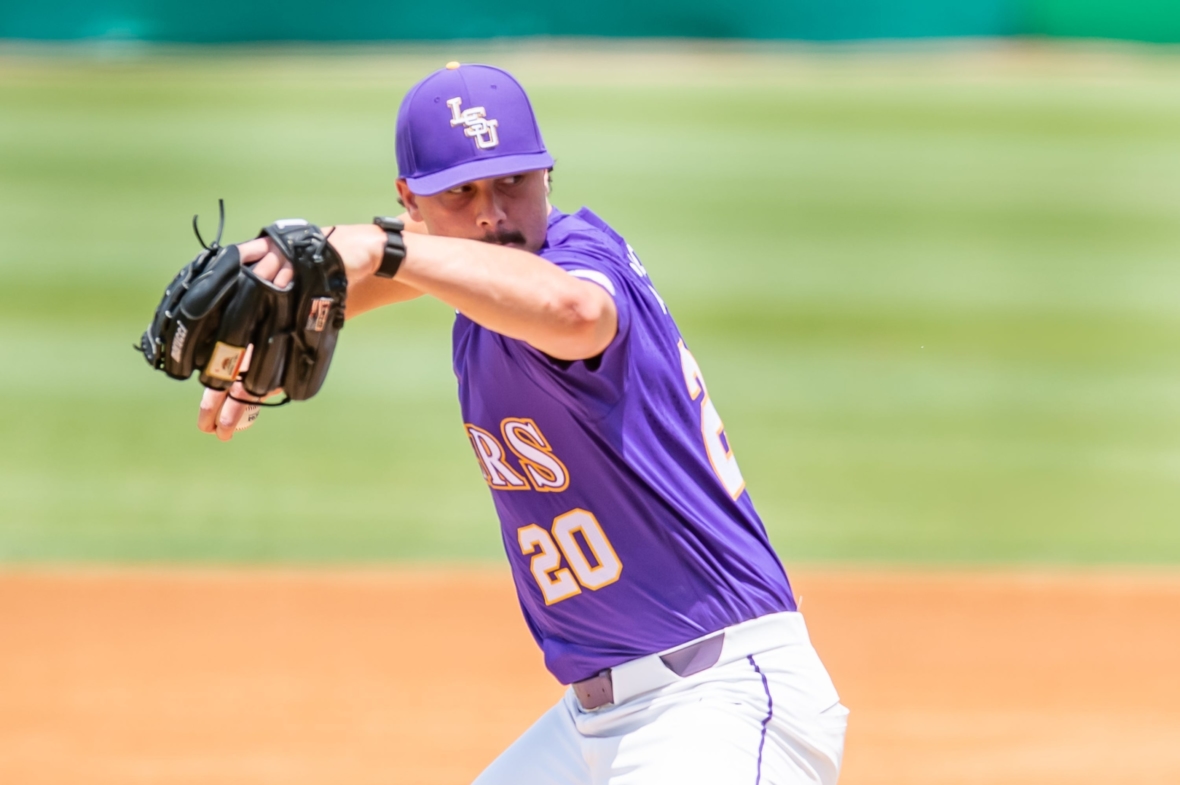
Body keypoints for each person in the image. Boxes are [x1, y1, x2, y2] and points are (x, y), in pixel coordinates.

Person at [197, 62, 848, 785]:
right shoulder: (482, 296)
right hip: (594, 724)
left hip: (717, 700)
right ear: (409, 199)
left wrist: (386, 245)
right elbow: (397, 277)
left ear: (547, 177)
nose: (492, 213)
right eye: (461, 192)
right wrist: (291, 309)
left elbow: (574, 314)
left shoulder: (578, 264)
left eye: (513, 182)